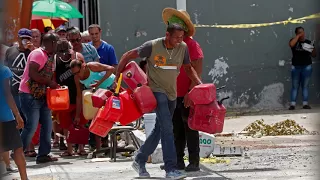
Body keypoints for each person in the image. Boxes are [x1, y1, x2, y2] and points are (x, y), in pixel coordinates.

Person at [115, 7, 202, 179]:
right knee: (168, 129)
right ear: (167, 35)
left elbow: (188, 68)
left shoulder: (183, 47)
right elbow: (127, 55)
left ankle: (139, 159)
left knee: (159, 130)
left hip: (172, 94)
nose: (179, 41)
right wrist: (117, 77)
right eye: (176, 37)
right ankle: (171, 169)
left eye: (181, 37)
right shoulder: (152, 46)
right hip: (157, 92)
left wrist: (199, 84)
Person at [19, 33, 60, 164]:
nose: (58, 45)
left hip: (42, 94)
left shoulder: (50, 56)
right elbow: (33, 74)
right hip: (29, 94)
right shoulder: (38, 54)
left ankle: (43, 154)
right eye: (57, 43)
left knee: (47, 125)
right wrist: (50, 83)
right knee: (31, 126)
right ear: (52, 43)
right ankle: (17, 153)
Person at [4, 28, 36, 157]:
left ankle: (28, 147)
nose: (25, 41)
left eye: (28, 38)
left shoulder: (33, 53)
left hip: (27, 92)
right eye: (23, 38)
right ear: (18, 38)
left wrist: (32, 49)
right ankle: (19, 149)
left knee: (29, 122)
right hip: (12, 92)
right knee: (17, 121)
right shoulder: (10, 51)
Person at [53, 40, 87, 156]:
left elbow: (84, 75)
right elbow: (53, 78)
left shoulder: (78, 57)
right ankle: (70, 148)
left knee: (80, 122)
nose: (64, 54)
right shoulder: (55, 59)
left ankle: (81, 148)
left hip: (78, 94)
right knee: (66, 125)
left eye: (66, 51)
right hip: (63, 97)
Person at [0, 59, 28, 180]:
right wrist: (17, 114)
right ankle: (24, 178)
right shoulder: (3, 70)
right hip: (5, 117)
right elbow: (7, 94)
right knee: (17, 147)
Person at [288, 26, 316, 110]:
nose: (302, 34)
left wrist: (312, 48)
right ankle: (292, 104)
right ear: (296, 34)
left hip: (306, 66)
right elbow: (291, 44)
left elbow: (314, 55)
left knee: (305, 86)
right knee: (295, 86)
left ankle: (305, 104)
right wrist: (298, 37)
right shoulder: (294, 41)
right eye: (300, 32)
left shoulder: (308, 42)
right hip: (296, 67)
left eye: (303, 32)